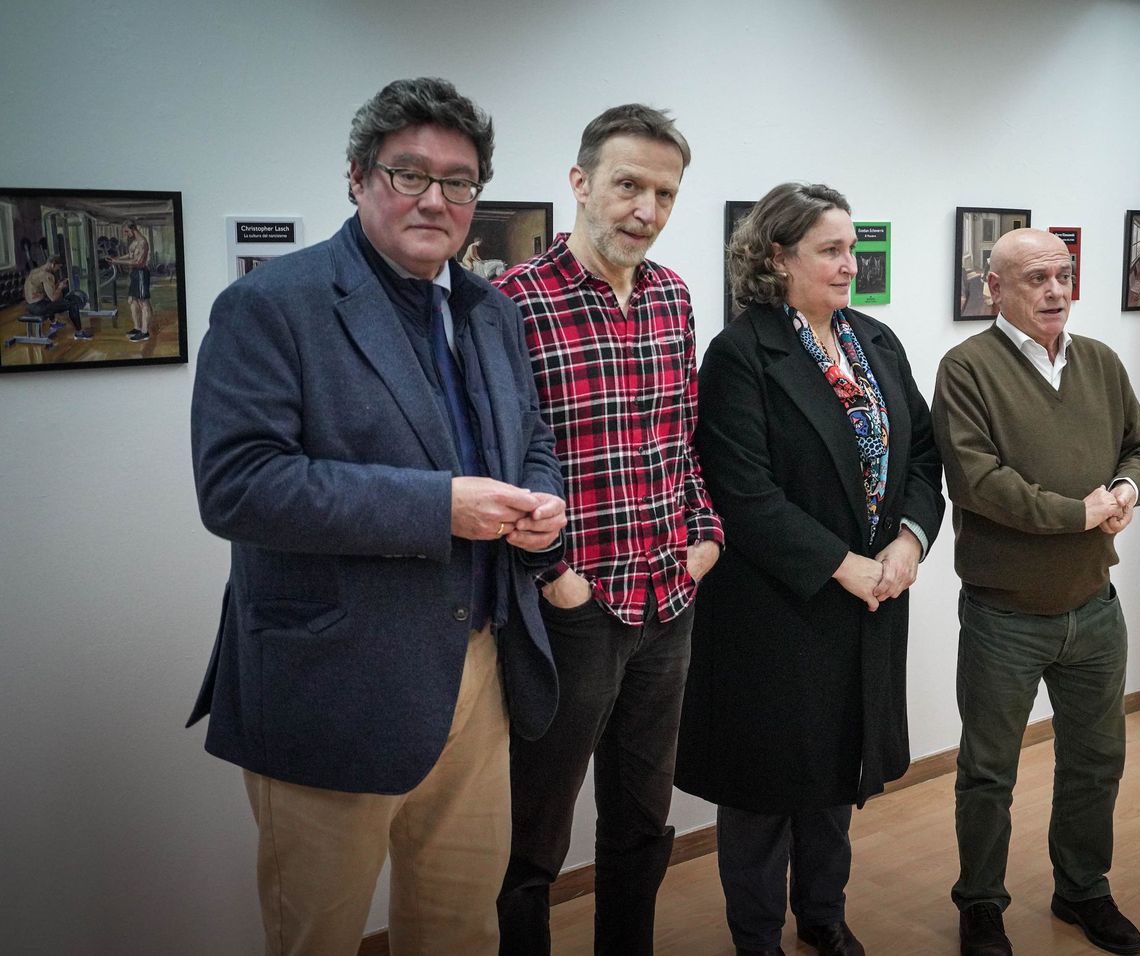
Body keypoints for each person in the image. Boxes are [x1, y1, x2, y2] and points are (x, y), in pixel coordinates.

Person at [188, 77, 567, 956]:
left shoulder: (491, 311)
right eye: (409, 174)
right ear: (358, 179)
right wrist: (442, 507)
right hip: (336, 680)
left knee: (458, 929)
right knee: (315, 932)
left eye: (460, 181)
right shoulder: (271, 304)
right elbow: (239, 486)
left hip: (479, 668)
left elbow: (530, 438)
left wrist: (543, 502)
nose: (436, 199)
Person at [676, 182, 944, 956]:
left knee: (836, 775)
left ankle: (823, 916)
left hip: (869, 599)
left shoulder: (876, 341)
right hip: (775, 608)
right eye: (829, 250)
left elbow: (922, 455)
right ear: (775, 256)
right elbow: (743, 493)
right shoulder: (740, 355)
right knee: (763, 790)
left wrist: (910, 540)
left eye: (851, 249)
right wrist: (842, 566)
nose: (848, 264)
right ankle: (756, 935)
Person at [494, 103, 723, 956]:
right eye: (629, 185)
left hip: (668, 596)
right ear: (581, 184)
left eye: (665, 193)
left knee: (641, 826)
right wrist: (557, 572)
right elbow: (504, 460)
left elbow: (683, 438)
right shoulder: (510, 304)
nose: (648, 211)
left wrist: (704, 538)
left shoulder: (672, 296)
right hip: (570, 611)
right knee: (533, 843)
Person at [932, 228, 1140, 956]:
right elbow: (978, 481)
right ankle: (980, 904)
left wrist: (1128, 487)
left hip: (1094, 606)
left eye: (1063, 275)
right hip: (1005, 613)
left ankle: (1083, 888)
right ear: (993, 290)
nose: (1056, 291)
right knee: (989, 771)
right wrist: (1081, 514)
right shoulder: (966, 369)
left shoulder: (1100, 361)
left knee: (1097, 760)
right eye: (1036, 278)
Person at [23, 255, 90, 340]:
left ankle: (54, 323)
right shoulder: (47, 275)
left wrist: (57, 285)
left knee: (50, 301)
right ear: (53, 264)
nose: (57, 270)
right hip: (39, 307)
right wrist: (60, 287)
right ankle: (79, 332)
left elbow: (44, 291)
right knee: (72, 304)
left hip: (30, 306)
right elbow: (53, 298)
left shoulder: (34, 271)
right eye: (57, 268)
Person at [108, 222, 153, 341]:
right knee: (132, 301)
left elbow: (137, 262)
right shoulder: (134, 243)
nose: (125, 234)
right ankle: (137, 328)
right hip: (134, 274)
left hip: (141, 273)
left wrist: (117, 263)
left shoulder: (143, 242)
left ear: (133, 229)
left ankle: (145, 332)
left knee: (143, 302)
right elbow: (130, 255)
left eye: (127, 231)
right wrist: (115, 259)